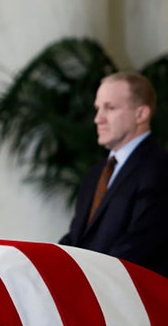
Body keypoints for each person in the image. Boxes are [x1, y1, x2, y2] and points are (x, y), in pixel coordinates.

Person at [60, 71, 168, 277]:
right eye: (98, 108)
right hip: (92, 289)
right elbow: (76, 239)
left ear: (141, 114)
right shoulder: (95, 173)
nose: (97, 119)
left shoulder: (160, 168)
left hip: (132, 297)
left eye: (110, 108)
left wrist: (81, 278)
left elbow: (138, 248)